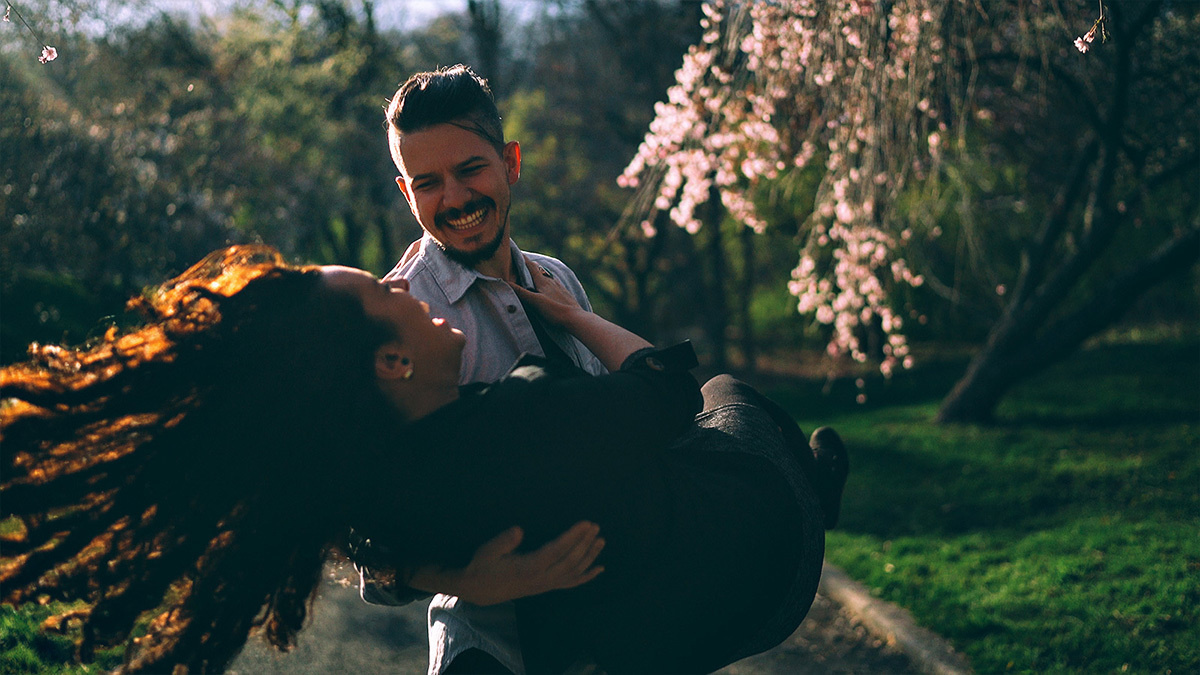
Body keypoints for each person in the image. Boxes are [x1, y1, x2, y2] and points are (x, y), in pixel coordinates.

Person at [0, 245, 849, 674]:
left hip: (662, 626)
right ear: (392, 363)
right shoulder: (517, 425)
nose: (403, 285)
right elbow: (667, 382)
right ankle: (816, 487)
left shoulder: (373, 483)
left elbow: (348, 535)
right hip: (764, 561)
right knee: (728, 395)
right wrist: (569, 315)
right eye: (383, 294)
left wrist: (457, 571)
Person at [371, 63, 607, 674]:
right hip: (490, 651)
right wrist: (470, 578)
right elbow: (367, 540)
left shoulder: (560, 281)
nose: (453, 199)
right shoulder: (399, 319)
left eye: (470, 169)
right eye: (426, 182)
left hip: (614, 628)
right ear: (406, 192)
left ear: (511, 163)